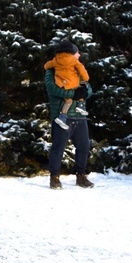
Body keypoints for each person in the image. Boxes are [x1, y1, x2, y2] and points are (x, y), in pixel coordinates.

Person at [45, 54, 94, 190]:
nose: (77, 56)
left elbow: (88, 88)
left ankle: (81, 176)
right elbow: (52, 88)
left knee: (83, 147)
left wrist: (85, 93)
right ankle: (54, 178)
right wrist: (73, 94)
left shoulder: (78, 69)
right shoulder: (52, 70)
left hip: (80, 115)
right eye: (75, 54)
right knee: (58, 148)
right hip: (62, 115)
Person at [44, 40, 90, 130]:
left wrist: (84, 92)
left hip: (62, 85)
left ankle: (63, 116)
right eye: (77, 53)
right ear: (72, 53)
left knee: (69, 101)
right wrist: (76, 93)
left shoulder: (55, 61)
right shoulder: (75, 63)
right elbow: (51, 88)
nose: (79, 55)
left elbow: (46, 65)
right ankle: (80, 106)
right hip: (66, 113)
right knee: (60, 144)